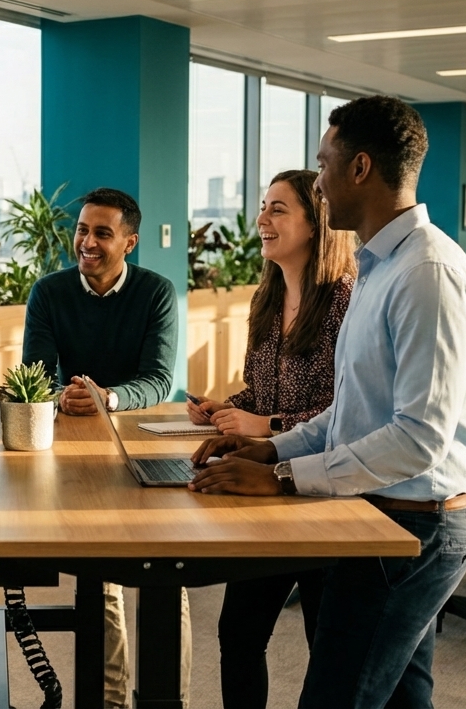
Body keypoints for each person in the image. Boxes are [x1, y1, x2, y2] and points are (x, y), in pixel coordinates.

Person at [190, 95, 466, 709]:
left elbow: (418, 437)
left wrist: (281, 477)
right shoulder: (381, 268)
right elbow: (350, 413)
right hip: (378, 514)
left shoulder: (425, 273)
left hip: (415, 527)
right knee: (402, 699)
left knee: (335, 696)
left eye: (324, 164)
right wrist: (269, 445)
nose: (318, 180)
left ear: (359, 168)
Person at [185, 169, 356, 709]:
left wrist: (268, 427)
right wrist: (226, 408)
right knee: (238, 633)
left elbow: (348, 410)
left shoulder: (344, 302)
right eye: (264, 207)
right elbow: (260, 393)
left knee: (324, 646)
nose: (262, 219)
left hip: (323, 495)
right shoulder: (267, 296)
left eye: (278, 209)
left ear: (316, 223)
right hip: (266, 493)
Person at [19, 187, 185, 708]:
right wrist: (66, 395)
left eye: (103, 234)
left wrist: (107, 397)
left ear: (130, 243)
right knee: (104, 578)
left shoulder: (157, 293)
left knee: (165, 573)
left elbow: (159, 380)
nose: (87, 242)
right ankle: (111, 702)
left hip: (143, 443)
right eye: (82, 230)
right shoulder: (48, 292)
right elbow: (36, 376)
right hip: (76, 447)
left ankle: (166, 699)